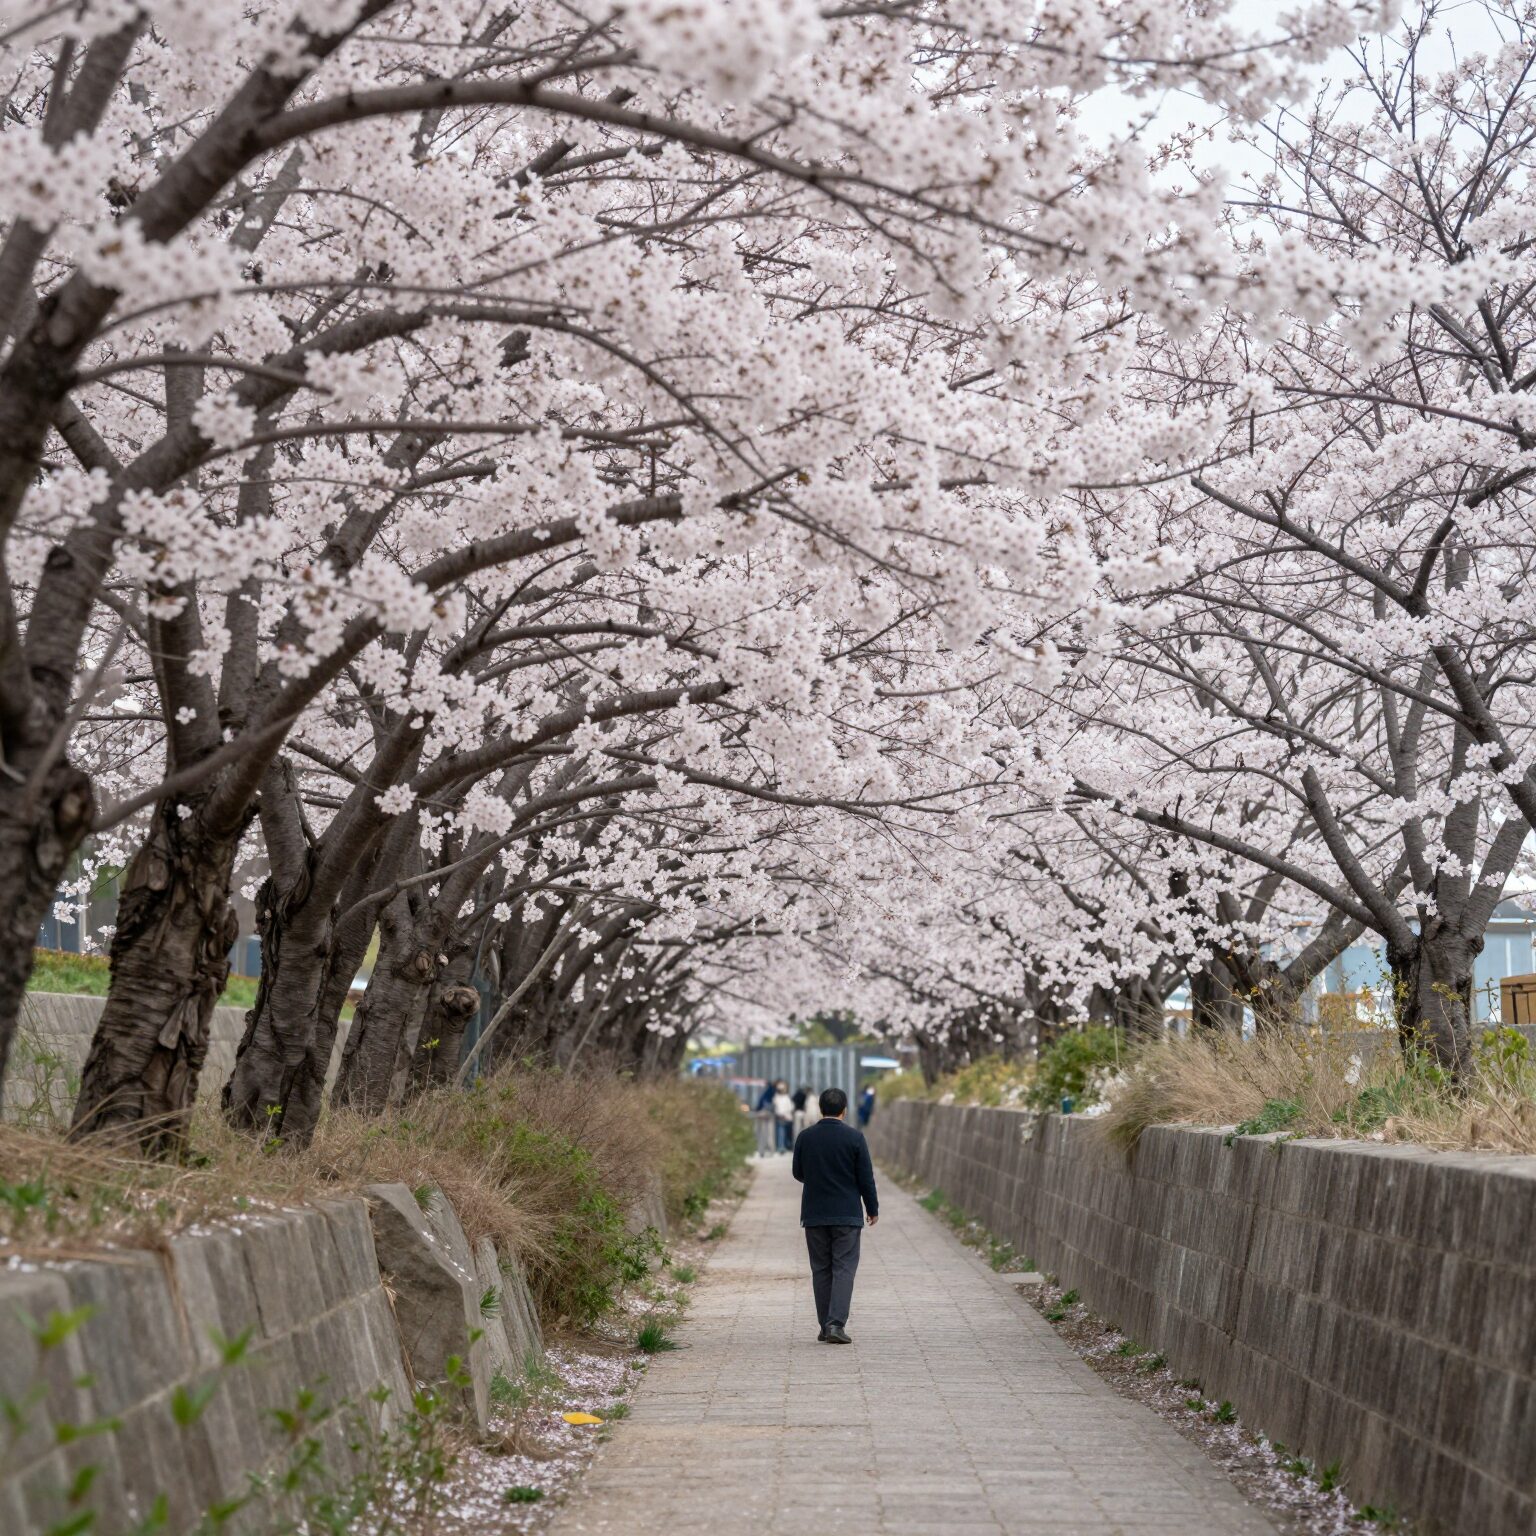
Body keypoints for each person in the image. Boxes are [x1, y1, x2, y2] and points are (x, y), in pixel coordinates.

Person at [791, 1086, 879, 1344]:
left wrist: (817, 1180)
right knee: (843, 1268)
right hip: (847, 1215)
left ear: (820, 1108)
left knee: (821, 1269)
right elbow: (866, 1178)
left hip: (815, 1213)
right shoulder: (855, 1138)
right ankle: (835, 1324)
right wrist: (872, 1209)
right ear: (844, 1109)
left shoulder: (805, 1137)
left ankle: (825, 1325)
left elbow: (798, 1172)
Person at [753, 1080, 776, 1156]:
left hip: (763, 1113)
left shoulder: (765, 1094)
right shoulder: (774, 1093)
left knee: (762, 1133)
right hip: (770, 1114)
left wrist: (757, 1110)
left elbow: (760, 1104)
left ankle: (761, 1150)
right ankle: (771, 1150)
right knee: (770, 1133)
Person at [772, 1080, 795, 1153]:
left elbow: (776, 1108)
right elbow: (791, 1107)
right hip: (785, 1117)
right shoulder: (785, 1097)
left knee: (781, 1132)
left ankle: (781, 1146)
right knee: (783, 1132)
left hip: (782, 1116)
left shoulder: (776, 1097)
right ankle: (783, 1146)